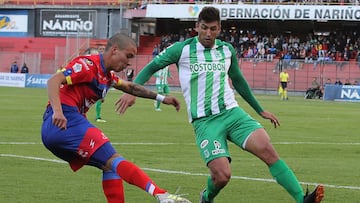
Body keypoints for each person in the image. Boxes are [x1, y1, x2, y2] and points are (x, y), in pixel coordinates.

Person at [116, 7, 324, 203]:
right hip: (205, 122)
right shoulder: (182, 49)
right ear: (197, 26)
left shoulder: (227, 50)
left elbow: (239, 80)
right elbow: (151, 67)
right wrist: (132, 89)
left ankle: (301, 199)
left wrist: (260, 110)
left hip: (232, 113)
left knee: (267, 149)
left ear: (219, 29)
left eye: (213, 28)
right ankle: (206, 197)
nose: (208, 33)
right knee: (222, 176)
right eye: (204, 28)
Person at [41, 33, 191, 203]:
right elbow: (53, 80)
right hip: (64, 121)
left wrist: (163, 99)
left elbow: (132, 88)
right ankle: (161, 194)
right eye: (128, 56)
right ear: (114, 50)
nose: (128, 62)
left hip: (59, 130)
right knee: (114, 159)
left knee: (110, 166)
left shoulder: (108, 77)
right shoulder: (87, 65)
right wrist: (58, 111)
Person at [95, 45, 107, 123]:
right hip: (96, 81)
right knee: (99, 99)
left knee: (100, 99)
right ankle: (98, 117)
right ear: (98, 50)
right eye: (100, 49)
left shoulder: (105, 59)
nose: (102, 50)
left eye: (103, 49)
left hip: (102, 81)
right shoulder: (96, 58)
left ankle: (98, 116)